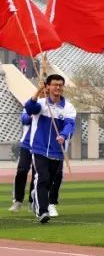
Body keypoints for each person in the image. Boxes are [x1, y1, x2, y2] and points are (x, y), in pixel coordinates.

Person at [24, 74, 77, 223]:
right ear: (47, 86)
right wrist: (37, 91)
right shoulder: (41, 104)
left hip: (57, 151)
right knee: (43, 178)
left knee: (50, 182)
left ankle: (36, 195)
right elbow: (29, 108)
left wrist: (63, 135)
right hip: (39, 149)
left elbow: (70, 124)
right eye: (54, 84)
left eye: (60, 85)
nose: (57, 87)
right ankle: (42, 211)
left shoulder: (68, 107)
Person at [9, 111, 32, 212]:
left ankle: (33, 202)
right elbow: (25, 119)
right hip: (26, 144)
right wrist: (32, 115)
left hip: (41, 146)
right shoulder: (30, 106)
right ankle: (17, 200)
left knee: (38, 174)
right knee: (22, 170)